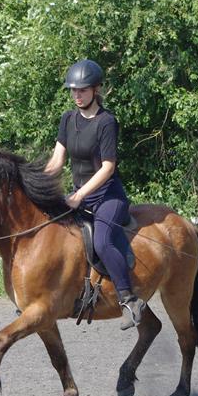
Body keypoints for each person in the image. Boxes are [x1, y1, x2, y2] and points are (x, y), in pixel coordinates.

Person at [44, 58, 145, 329]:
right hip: (79, 195)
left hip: (108, 197)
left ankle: (129, 299)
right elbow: (57, 160)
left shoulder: (106, 122)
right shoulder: (67, 119)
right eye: (73, 90)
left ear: (96, 89)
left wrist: (79, 195)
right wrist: (38, 183)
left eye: (83, 90)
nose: (77, 95)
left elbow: (108, 168)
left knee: (101, 242)